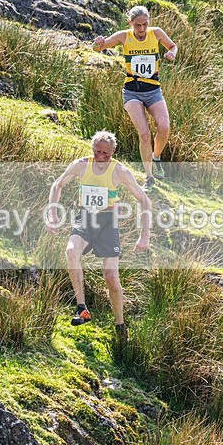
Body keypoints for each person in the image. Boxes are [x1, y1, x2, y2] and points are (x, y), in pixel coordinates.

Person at [46, 131, 151, 341]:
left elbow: (144, 201)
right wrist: (52, 212)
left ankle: (120, 326)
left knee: (111, 277)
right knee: (71, 251)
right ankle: (82, 309)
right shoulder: (81, 165)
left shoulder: (119, 171)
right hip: (85, 217)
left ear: (113, 151)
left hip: (108, 222)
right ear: (92, 149)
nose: (101, 156)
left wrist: (144, 236)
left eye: (106, 153)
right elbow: (57, 185)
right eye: (97, 151)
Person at [92, 5, 178, 192]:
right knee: (144, 133)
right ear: (130, 23)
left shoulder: (156, 33)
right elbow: (98, 47)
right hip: (132, 91)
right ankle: (148, 177)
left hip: (153, 90)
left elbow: (173, 45)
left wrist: (172, 52)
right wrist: (97, 42)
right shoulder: (124, 36)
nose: (141, 29)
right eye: (137, 25)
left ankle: (156, 157)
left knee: (164, 128)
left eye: (145, 24)